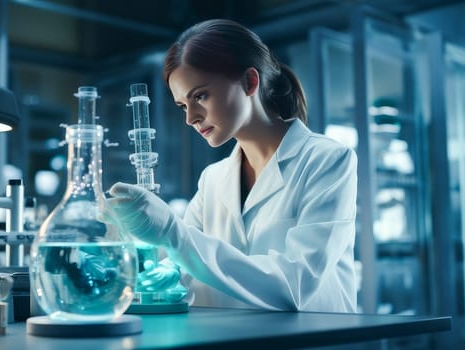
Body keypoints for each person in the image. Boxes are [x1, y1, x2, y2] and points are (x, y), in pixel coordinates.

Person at [105, 18, 358, 313]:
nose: (191, 118)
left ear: (250, 82)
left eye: (200, 96)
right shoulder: (212, 180)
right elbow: (185, 262)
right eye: (183, 106)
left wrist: (172, 232)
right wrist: (152, 260)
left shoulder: (326, 160)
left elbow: (294, 285)